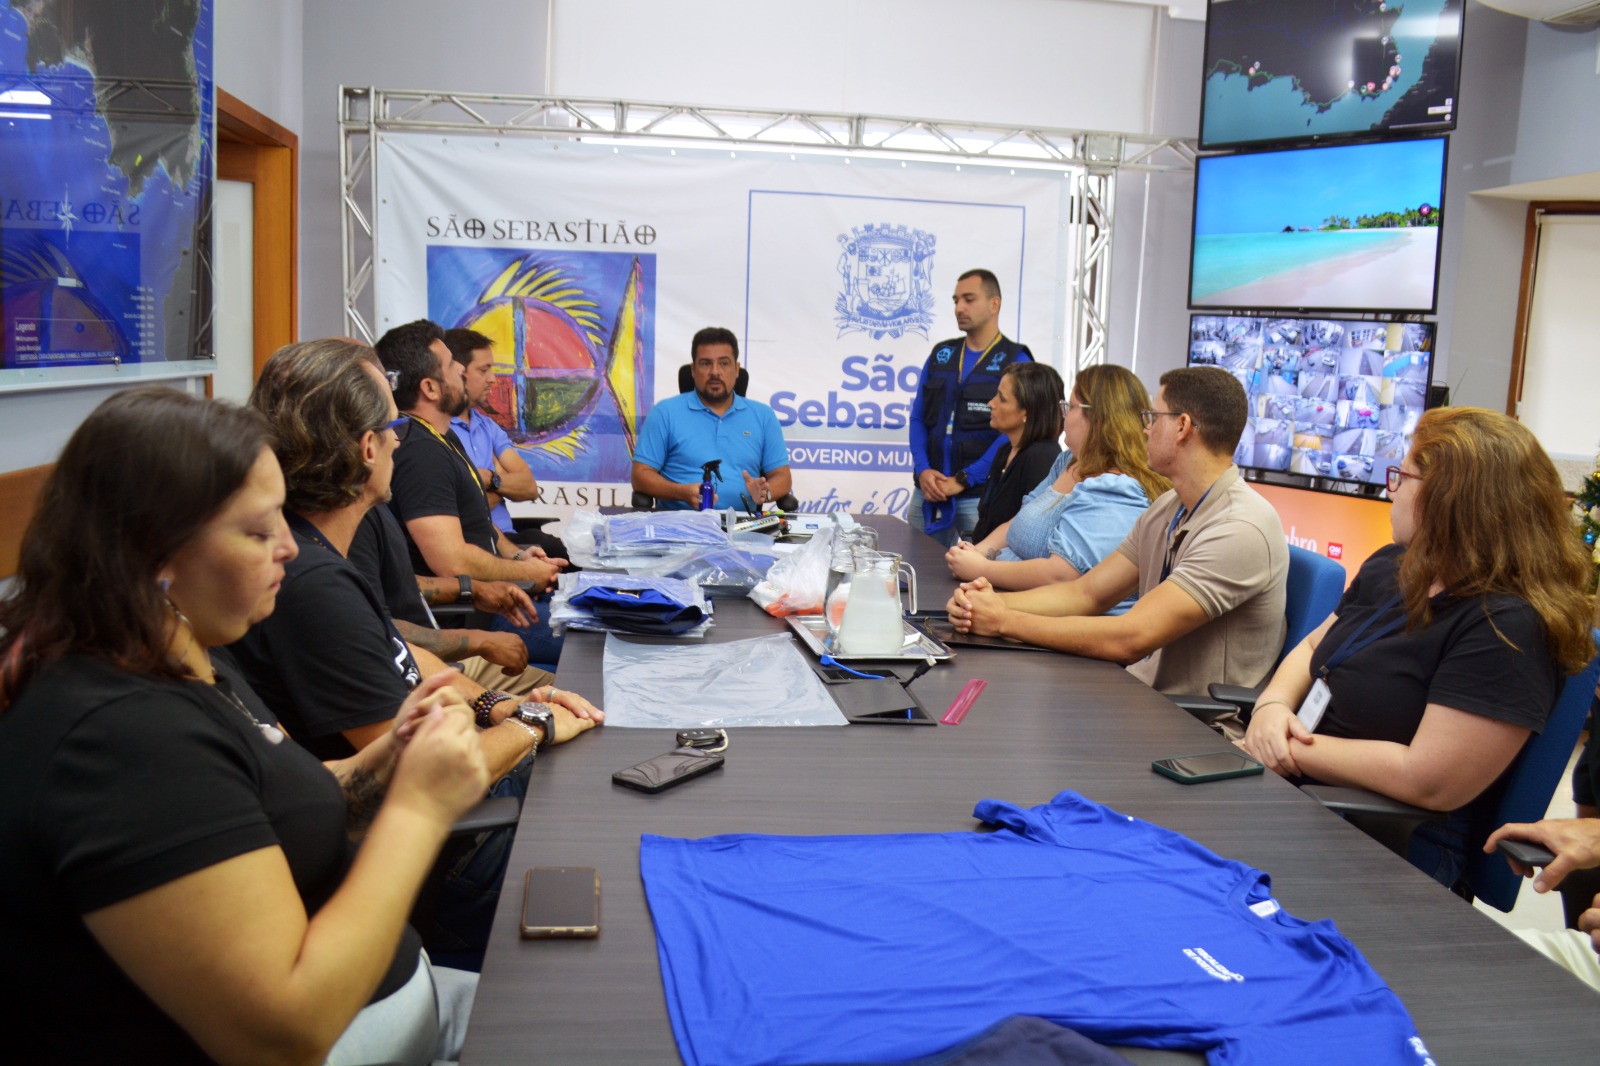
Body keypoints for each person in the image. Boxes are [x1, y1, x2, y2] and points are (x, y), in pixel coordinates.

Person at [0, 387, 488, 1064]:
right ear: (155, 554)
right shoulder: (120, 741)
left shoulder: (182, 649)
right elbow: (282, 1035)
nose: (288, 547)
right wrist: (420, 808)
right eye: (258, 532)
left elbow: (257, 812)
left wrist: (387, 756)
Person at [1241, 407, 1595, 889]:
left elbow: (1428, 780)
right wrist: (1272, 708)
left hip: (1388, 842)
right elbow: (1311, 647)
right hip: (1300, 791)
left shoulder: (1508, 627)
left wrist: (1289, 748)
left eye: (1402, 477)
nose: (1391, 490)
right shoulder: (1397, 564)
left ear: (1450, 499)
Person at [232, 338, 599, 762]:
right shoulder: (317, 585)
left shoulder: (325, 551)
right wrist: (534, 725)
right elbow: (423, 768)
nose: (399, 441)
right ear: (369, 448)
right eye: (394, 428)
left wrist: (496, 705)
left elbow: (398, 651)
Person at [947, 367, 1287, 713]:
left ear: (1182, 427)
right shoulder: (1170, 508)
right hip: (1145, 698)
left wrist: (1003, 620)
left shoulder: (1240, 527)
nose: (1145, 428)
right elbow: (1086, 594)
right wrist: (985, 605)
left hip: (1198, 724)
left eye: (1154, 417)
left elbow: (1131, 637)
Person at [375, 319, 566, 667]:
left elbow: (476, 521)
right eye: (451, 364)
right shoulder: (421, 454)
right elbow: (452, 561)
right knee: (593, 645)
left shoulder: (442, 437)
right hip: (475, 617)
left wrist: (518, 557)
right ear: (430, 388)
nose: (462, 370)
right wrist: (525, 575)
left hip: (494, 604)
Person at [948, 364, 1168, 599]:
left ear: (1097, 418)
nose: (1063, 414)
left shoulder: (1117, 490)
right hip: (1010, 596)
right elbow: (1020, 519)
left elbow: (1061, 575)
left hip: (1033, 610)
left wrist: (982, 569)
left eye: (1070, 407)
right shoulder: (1068, 461)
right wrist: (978, 552)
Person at [909, 268, 1033, 544]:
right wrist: (923, 470)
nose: (959, 308)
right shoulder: (942, 354)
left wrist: (965, 479)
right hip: (927, 491)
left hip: (979, 496)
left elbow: (1013, 433)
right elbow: (918, 418)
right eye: (956, 300)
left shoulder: (1017, 359)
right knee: (914, 566)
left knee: (978, 569)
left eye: (969, 299)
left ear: (994, 304)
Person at [631, 326, 792, 509]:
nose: (715, 372)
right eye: (705, 363)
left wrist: (765, 492)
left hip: (743, 523)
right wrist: (682, 492)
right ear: (693, 370)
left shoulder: (763, 416)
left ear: (736, 369)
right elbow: (640, 476)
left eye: (724, 363)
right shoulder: (664, 413)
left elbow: (783, 477)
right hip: (679, 522)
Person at [443, 327, 564, 558]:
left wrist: (490, 478)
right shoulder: (439, 431)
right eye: (484, 370)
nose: (493, 379)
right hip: (474, 544)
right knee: (556, 555)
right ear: (457, 372)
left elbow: (529, 487)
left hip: (508, 538)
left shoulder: (489, 426)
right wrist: (503, 481)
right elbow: (459, 509)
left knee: (565, 553)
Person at [963, 361, 1064, 544]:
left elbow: (1030, 534)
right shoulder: (1005, 451)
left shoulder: (1041, 458)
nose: (991, 403)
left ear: (1027, 412)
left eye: (1002, 399)